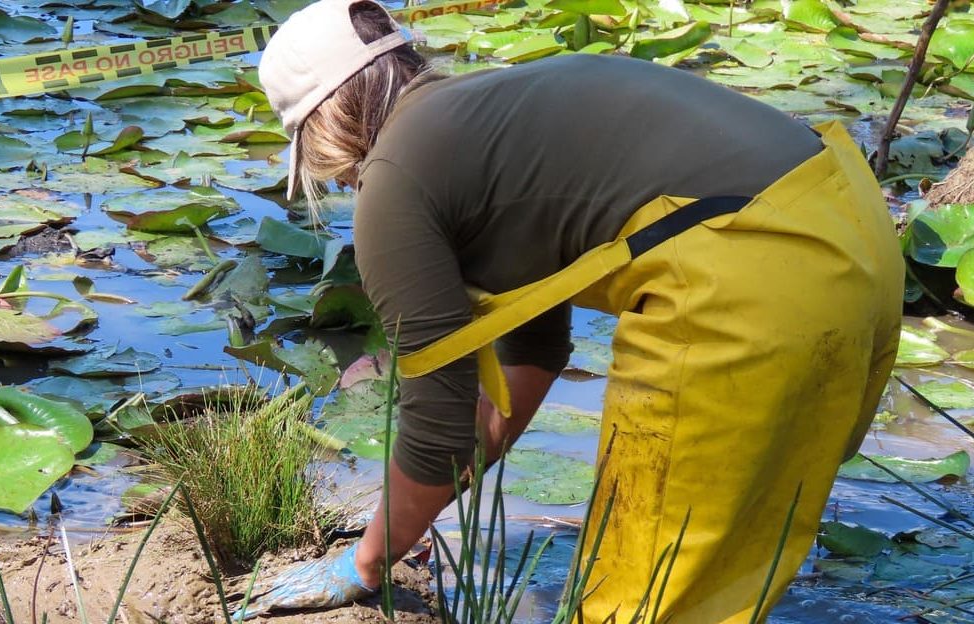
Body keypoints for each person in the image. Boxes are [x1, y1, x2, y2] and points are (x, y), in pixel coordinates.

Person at [238, 0, 905, 621]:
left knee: (642, 593)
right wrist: (420, 508)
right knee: (744, 553)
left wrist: (367, 561)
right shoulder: (491, 122)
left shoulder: (395, 181)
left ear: (325, 127)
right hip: (852, 229)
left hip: (751, 267)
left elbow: (438, 417)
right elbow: (530, 355)